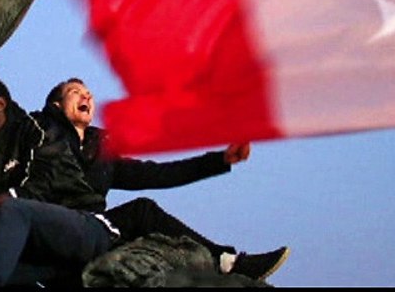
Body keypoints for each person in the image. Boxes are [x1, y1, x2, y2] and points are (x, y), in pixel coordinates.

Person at [37, 78, 289, 281]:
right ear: (57, 105)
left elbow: (159, 174)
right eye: (75, 92)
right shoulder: (39, 132)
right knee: (141, 211)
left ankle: (224, 264)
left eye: (89, 94)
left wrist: (220, 160)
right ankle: (226, 262)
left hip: (97, 231)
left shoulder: (102, 151)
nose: (86, 97)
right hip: (52, 228)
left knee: (153, 251)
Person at [0, 74, 114, 287]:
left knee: (14, 209)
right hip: (42, 254)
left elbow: (36, 190)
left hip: (82, 227)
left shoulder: (37, 128)